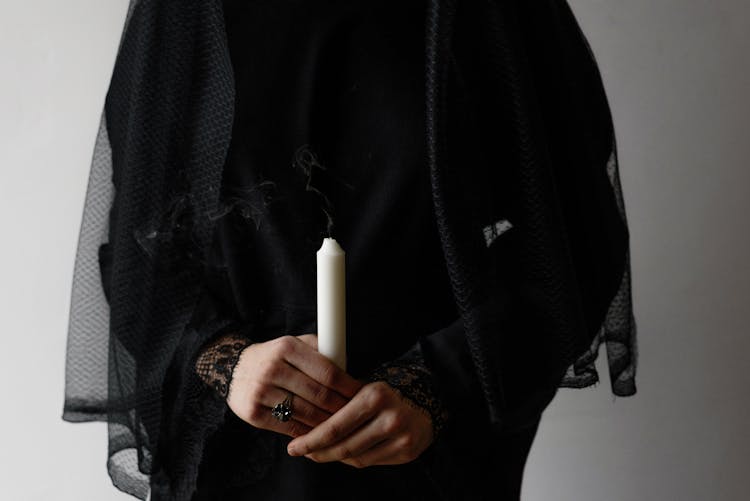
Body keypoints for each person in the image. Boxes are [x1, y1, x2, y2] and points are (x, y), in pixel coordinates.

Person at [62, 0, 637, 500]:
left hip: (432, 466)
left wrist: (439, 382)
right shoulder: (190, 13)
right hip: (234, 466)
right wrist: (227, 362)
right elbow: (139, 261)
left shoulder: (487, 12)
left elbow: (579, 242)